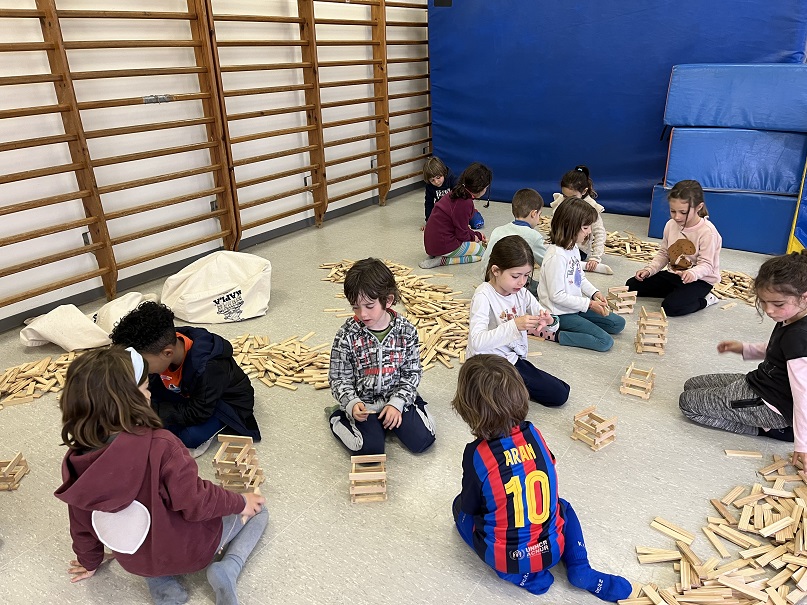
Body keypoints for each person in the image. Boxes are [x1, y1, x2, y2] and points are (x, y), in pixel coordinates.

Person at [54, 347, 267, 605]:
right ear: (129, 400)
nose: (150, 393)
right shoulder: (161, 445)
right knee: (258, 511)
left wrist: (89, 561)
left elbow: (80, 522)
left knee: (144, 537)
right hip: (190, 552)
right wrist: (241, 501)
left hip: (135, 560)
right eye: (145, 388)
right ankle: (229, 567)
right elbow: (196, 501)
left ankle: (163, 585)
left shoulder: (76, 461)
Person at [451, 354, 632, 602]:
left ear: (467, 409)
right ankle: (580, 567)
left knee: (459, 508)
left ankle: (523, 576)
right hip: (553, 548)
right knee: (563, 505)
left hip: (510, 560)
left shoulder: (476, 455)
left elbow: (471, 507)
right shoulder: (534, 434)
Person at [679, 251, 807, 452]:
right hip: (761, 382)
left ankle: (772, 429)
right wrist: (745, 349)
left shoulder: (799, 336)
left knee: (687, 404)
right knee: (691, 384)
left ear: (804, 298)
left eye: (777, 304)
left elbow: (803, 394)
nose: (768, 310)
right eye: (763, 301)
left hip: (772, 404)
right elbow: (779, 351)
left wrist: (802, 445)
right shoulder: (791, 316)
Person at [110, 301, 260, 457]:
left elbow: (198, 413)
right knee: (150, 410)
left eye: (142, 362)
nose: (138, 367)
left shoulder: (209, 368)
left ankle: (220, 424)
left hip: (221, 404)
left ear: (168, 353)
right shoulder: (162, 345)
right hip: (189, 392)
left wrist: (149, 410)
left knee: (189, 437)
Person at [327, 258, 436, 455]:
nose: (362, 314)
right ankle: (338, 416)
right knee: (370, 450)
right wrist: (351, 403)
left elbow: (412, 373)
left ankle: (408, 406)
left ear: (388, 300)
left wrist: (398, 402)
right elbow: (338, 377)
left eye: (369, 306)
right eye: (355, 307)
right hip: (364, 403)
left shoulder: (406, 330)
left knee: (424, 440)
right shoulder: (346, 335)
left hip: (395, 396)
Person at [467, 235, 569, 407]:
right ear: (496, 270)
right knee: (505, 405)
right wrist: (514, 325)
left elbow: (550, 323)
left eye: (526, 275)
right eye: (515, 276)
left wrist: (550, 321)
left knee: (560, 393)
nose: (522, 282)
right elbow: (476, 342)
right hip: (486, 365)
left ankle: (508, 391)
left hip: (512, 360)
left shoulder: (521, 293)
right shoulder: (483, 295)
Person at [538, 197, 626, 352]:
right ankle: (553, 334)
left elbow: (579, 277)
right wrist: (589, 304)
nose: (589, 231)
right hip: (559, 314)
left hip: (575, 307)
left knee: (618, 324)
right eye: (585, 227)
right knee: (604, 342)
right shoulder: (556, 257)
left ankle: (580, 322)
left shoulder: (573, 247)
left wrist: (594, 293)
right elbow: (556, 296)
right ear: (569, 226)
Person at [625, 179, 722, 316]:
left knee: (670, 308)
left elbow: (707, 265)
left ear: (699, 207)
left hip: (699, 280)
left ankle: (706, 300)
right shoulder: (670, 225)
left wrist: (693, 273)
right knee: (631, 285)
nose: (677, 217)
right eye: (673, 211)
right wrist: (649, 270)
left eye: (683, 212)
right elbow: (664, 253)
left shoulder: (708, 232)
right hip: (675, 274)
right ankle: (679, 293)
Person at [420, 162, 491, 269]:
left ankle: (440, 255)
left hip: (432, 244)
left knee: (474, 243)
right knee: (482, 252)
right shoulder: (465, 203)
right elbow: (461, 234)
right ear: (481, 189)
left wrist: (477, 235)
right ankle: (443, 260)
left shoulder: (456, 192)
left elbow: (460, 226)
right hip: (443, 245)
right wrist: (474, 237)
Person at [480, 188, 547, 296]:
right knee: (543, 289)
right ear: (534, 214)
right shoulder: (533, 236)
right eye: (539, 214)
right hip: (506, 283)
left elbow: (485, 260)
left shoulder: (498, 230)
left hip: (488, 279)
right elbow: (548, 263)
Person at [550, 165, 612, 275]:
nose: (568, 200)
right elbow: (554, 224)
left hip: (579, 249)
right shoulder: (561, 202)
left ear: (584, 191)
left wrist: (595, 257)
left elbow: (599, 233)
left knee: (565, 258)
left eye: (573, 197)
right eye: (565, 196)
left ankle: (579, 265)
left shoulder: (591, 207)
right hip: (560, 244)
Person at [422, 156, 485, 231]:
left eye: (438, 177)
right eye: (432, 180)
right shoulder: (429, 186)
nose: (436, 182)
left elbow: (462, 201)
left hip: (459, 209)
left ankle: (473, 212)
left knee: (477, 223)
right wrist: (429, 222)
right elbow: (429, 204)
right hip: (444, 211)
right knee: (442, 226)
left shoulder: (453, 181)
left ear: (444, 173)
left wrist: (463, 222)